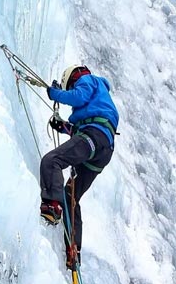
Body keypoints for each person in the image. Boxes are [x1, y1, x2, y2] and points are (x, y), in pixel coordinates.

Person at [39, 64, 118, 269]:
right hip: (102, 150)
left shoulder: (89, 80)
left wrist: (54, 93)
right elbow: (85, 128)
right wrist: (64, 127)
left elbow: (78, 97)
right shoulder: (101, 100)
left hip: (93, 137)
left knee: (52, 161)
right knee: (71, 196)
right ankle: (74, 250)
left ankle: (52, 206)